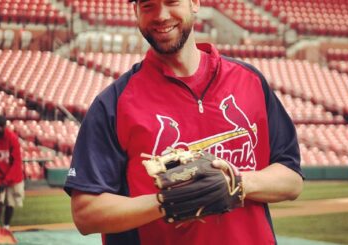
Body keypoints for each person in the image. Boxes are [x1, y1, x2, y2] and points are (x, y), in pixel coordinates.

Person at [64, 0, 304, 244]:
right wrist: (170, 201)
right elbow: (86, 214)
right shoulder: (113, 103)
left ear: (195, 3)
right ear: (136, 12)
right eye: (148, 6)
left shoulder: (250, 81)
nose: (161, 15)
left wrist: (237, 182)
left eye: (172, 2)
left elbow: (291, 180)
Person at [0, 115, 24, 230]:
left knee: (10, 201)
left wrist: (5, 181)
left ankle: (6, 226)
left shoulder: (12, 138)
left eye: (1, 126)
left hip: (13, 176)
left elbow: (16, 163)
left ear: (5, 126)